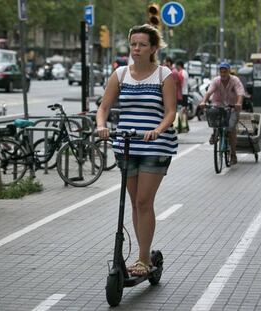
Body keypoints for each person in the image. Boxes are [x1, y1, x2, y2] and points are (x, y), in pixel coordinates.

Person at [96, 24, 178, 276]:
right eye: (133, 44)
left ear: (153, 48)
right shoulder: (120, 74)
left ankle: (144, 258)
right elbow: (103, 108)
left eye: (142, 44)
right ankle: (141, 255)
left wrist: (158, 129)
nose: (136, 49)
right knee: (134, 203)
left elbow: (170, 112)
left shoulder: (164, 75)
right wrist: (101, 126)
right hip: (126, 144)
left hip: (155, 144)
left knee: (144, 201)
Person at [199, 61, 245, 165]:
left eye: (225, 71)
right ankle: (215, 133)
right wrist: (203, 101)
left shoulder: (235, 80)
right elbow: (209, 92)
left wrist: (238, 104)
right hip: (218, 105)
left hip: (232, 107)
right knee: (213, 115)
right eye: (221, 72)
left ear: (229, 71)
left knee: (231, 128)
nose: (223, 74)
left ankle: (233, 155)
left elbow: (240, 93)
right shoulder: (216, 81)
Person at [175, 60, 190, 133]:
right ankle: (185, 126)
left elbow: (179, 84)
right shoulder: (185, 72)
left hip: (181, 94)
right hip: (186, 93)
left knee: (180, 111)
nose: (176, 68)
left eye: (177, 66)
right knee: (184, 110)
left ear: (179, 66)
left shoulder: (180, 73)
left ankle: (180, 126)